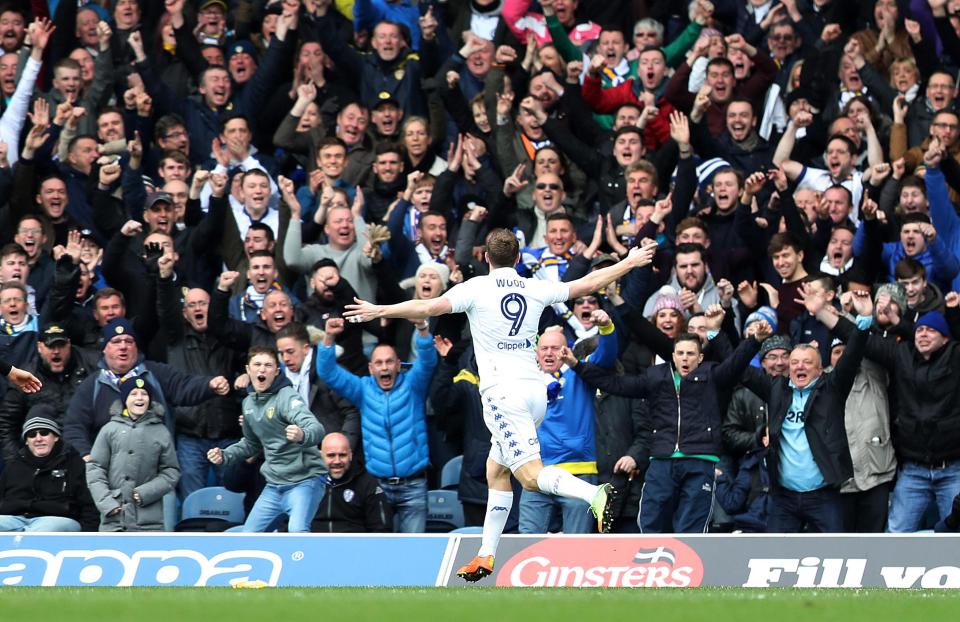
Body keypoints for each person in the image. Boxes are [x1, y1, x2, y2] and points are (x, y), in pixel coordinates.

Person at [343, 230, 658, 581]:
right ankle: (486, 555)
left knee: (531, 476)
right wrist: (629, 262)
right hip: (534, 392)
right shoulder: (534, 286)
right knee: (497, 470)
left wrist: (380, 309)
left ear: (487, 259)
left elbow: (428, 307)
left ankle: (595, 493)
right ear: (519, 257)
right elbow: (586, 284)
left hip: (502, 396)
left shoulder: (475, 288)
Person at [208, 346, 327, 533]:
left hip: (304, 481)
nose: (262, 369)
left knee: (297, 532)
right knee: (249, 536)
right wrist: (225, 454)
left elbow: (317, 428)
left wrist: (302, 434)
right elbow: (251, 444)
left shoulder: (287, 397)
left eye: (268, 365)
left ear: (276, 372)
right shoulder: (248, 403)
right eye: (257, 364)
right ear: (248, 370)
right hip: (274, 485)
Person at [85, 376, 180, 531]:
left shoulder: (161, 431)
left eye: (144, 394)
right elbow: (95, 469)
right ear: (125, 399)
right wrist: (107, 503)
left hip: (149, 522)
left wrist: (145, 493)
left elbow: (171, 471)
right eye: (133, 394)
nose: (139, 398)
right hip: (114, 519)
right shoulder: (109, 430)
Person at [0, 410, 97, 532]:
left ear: (56, 437)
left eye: (44, 433)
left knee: (41, 531)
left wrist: (88, 536)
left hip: (57, 519)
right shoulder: (13, 465)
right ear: (26, 441)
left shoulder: (74, 463)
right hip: (15, 518)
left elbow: (89, 505)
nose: (38, 438)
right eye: (32, 435)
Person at [312, 432, 392, 533]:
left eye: (342, 455)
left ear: (350, 455)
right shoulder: (307, 481)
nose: (337, 461)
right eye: (331, 455)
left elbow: (381, 529)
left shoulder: (367, 482)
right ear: (321, 456)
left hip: (355, 546)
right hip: (313, 545)